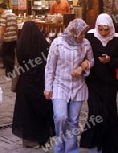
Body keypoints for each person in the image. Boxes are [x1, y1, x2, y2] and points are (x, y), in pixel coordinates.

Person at [44, 19, 94, 153]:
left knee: (73, 119)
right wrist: (48, 87)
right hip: (60, 84)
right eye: (81, 33)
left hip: (78, 86)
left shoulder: (86, 44)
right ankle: (59, 147)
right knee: (60, 117)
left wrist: (82, 67)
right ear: (73, 32)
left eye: (84, 33)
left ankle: (71, 149)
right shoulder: (58, 43)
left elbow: (91, 61)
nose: (83, 36)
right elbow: (50, 66)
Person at [80, 13, 118, 153]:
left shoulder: (116, 40)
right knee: (95, 111)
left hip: (109, 84)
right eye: (101, 29)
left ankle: (109, 147)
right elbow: (82, 54)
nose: (104, 32)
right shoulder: (90, 37)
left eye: (106, 29)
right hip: (93, 82)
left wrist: (109, 60)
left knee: (109, 113)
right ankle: (92, 145)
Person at [12, 21, 55, 148]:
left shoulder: (20, 47)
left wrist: (14, 86)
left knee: (27, 112)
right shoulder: (45, 46)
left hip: (25, 84)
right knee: (42, 111)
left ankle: (30, 140)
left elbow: (17, 68)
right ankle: (43, 137)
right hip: (42, 83)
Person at [0, 3, 17, 76]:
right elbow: (16, 26)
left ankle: (12, 66)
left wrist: (0, 38)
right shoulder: (13, 15)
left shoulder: (4, 15)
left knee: (4, 54)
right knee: (11, 54)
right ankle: (9, 72)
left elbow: (3, 28)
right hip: (14, 38)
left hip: (7, 38)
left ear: (1, 8)